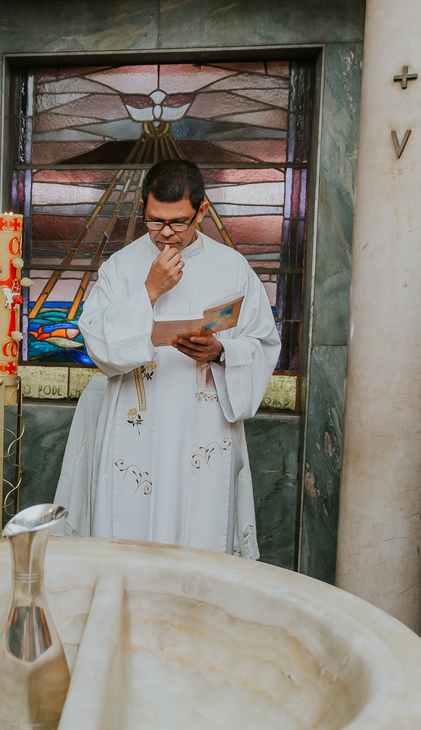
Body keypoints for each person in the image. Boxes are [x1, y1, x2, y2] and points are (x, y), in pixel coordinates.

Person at [69, 159, 280, 555]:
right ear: (143, 207)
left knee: (201, 533)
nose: (165, 234)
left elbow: (264, 342)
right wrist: (149, 290)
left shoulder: (232, 268)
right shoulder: (121, 267)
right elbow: (96, 342)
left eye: (178, 222)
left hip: (205, 425)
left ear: (201, 210)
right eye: (154, 221)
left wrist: (221, 352)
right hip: (136, 426)